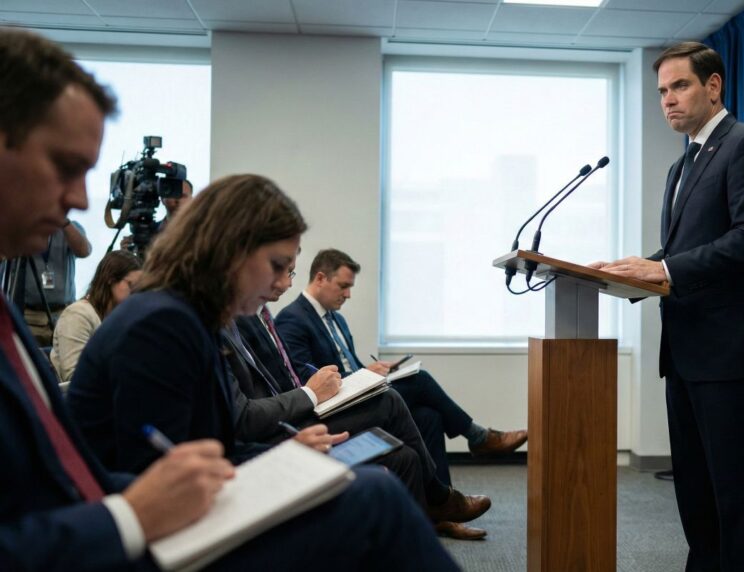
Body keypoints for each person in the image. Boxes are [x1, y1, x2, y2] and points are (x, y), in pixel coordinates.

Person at [0, 27, 455, 570]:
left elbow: (160, 470)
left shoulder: (186, 318)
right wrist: (140, 513)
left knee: (373, 479)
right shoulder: (161, 324)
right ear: (232, 251)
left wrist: (274, 461)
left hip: (110, 523)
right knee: (375, 499)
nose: (79, 198)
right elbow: (158, 485)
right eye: (65, 166)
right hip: (118, 543)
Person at [590, 42, 744, 572]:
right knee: (696, 492)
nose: (668, 101)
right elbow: (682, 251)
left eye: (679, 86)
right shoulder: (684, 164)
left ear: (713, 86)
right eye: (661, 91)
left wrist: (665, 270)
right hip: (686, 351)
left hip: (731, 352)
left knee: (736, 493)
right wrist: (634, 270)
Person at [235, 259, 490, 539]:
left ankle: (433, 518)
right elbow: (279, 386)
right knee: (403, 392)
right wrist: (322, 388)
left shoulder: (331, 319)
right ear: (320, 279)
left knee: (426, 423)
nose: (286, 282)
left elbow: (290, 373)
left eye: (291, 271)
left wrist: (360, 375)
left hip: (311, 401)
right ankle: (448, 485)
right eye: (343, 286)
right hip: (291, 421)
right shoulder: (286, 317)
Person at [275, 248, 528, 482]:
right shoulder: (292, 319)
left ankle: (442, 507)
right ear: (320, 279)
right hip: (333, 412)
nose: (348, 294)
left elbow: (349, 367)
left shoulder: (337, 319)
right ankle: (479, 437)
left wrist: (372, 371)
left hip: (356, 398)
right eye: (343, 286)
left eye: (350, 287)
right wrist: (362, 374)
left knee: (430, 417)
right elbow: (305, 382)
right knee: (421, 380)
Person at [49, 249, 141, 382]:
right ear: (110, 279)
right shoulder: (78, 315)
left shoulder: (122, 318)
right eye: (131, 285)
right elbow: (74, 377)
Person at [19, 219, 92, 347]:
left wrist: (63, 221)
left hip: (63, 316)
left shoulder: (71, 228)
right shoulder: (19, 229)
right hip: (28, 318)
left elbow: (84, 251)